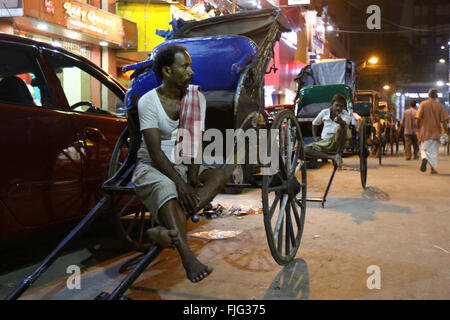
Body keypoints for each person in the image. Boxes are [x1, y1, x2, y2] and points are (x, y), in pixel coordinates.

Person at [132, 44, 229, 282]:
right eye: (184, 66)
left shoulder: (196, 99)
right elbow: (154, 151)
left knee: (219, 176)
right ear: (166, 71)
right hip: (152, 165)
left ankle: (163, 230)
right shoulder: (149, 102)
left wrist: (193, 175)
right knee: (168, 188)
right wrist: (181, 184)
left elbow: (195, 140)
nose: (191, 72)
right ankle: (187, 256)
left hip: (183, 162)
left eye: (190, 66)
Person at [304, 93, 352, 168]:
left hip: (339, 142)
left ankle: (338, 153)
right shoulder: (324, 112)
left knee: (342, 127)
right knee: (305, 149)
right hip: (325, 141)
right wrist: (315, 137)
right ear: (332, 104)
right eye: (337, 105)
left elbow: (345, 124)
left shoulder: (345, 114)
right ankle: (333, 157)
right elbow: (314, 124)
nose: (339, 108)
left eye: (341, 106)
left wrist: (341, 121)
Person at [415, 88, 449, 174]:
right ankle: (432, 169)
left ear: (429, 95)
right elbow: (444, 120)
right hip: (436, 132)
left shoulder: (423, 104)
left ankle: (425, 158)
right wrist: (446, 132)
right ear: (436, 96)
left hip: (424, 131)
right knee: (433, 152)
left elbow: (418, 118)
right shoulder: (440, 106)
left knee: (424, 149)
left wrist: (417, 129)